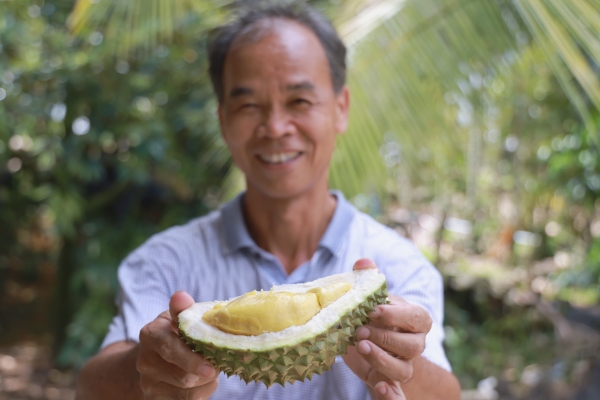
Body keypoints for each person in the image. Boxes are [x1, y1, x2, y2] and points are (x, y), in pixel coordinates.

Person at [76, 2, 461, 399]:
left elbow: (447, 392)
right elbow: (90, 388)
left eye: (299, 101)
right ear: (224, 120)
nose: (276, 128)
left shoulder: (400, 267)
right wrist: (148, 370)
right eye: (248, 105)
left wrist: (404, 371)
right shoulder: (164, 262)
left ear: (340, 109)